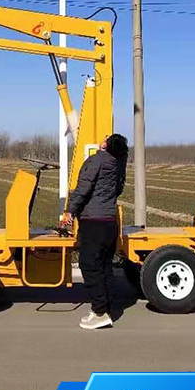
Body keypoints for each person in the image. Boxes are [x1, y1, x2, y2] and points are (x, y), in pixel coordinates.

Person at [64, 133, 129, 330]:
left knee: (90, 265)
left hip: (93, 222)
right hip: (109, 222)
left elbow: (83, 189)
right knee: (105, 266)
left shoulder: (96, 161)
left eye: (106, 138)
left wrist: (70, 211)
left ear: (106, 144)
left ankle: (99, 312)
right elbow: (118, 190)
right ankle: (106, 308)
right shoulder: (119, 164)